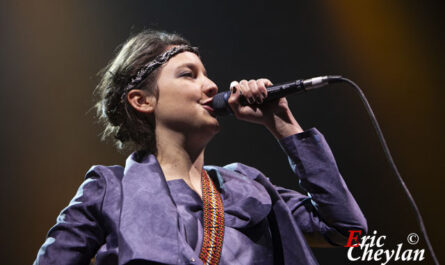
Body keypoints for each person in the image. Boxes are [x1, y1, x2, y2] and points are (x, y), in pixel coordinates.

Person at [33, 30, 367, 265]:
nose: (211, 85)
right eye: (188, 75)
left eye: (206, 75)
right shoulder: (109, 190)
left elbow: (349, 233)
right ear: (142, 100)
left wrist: (282, 125)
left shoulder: (247, 186)